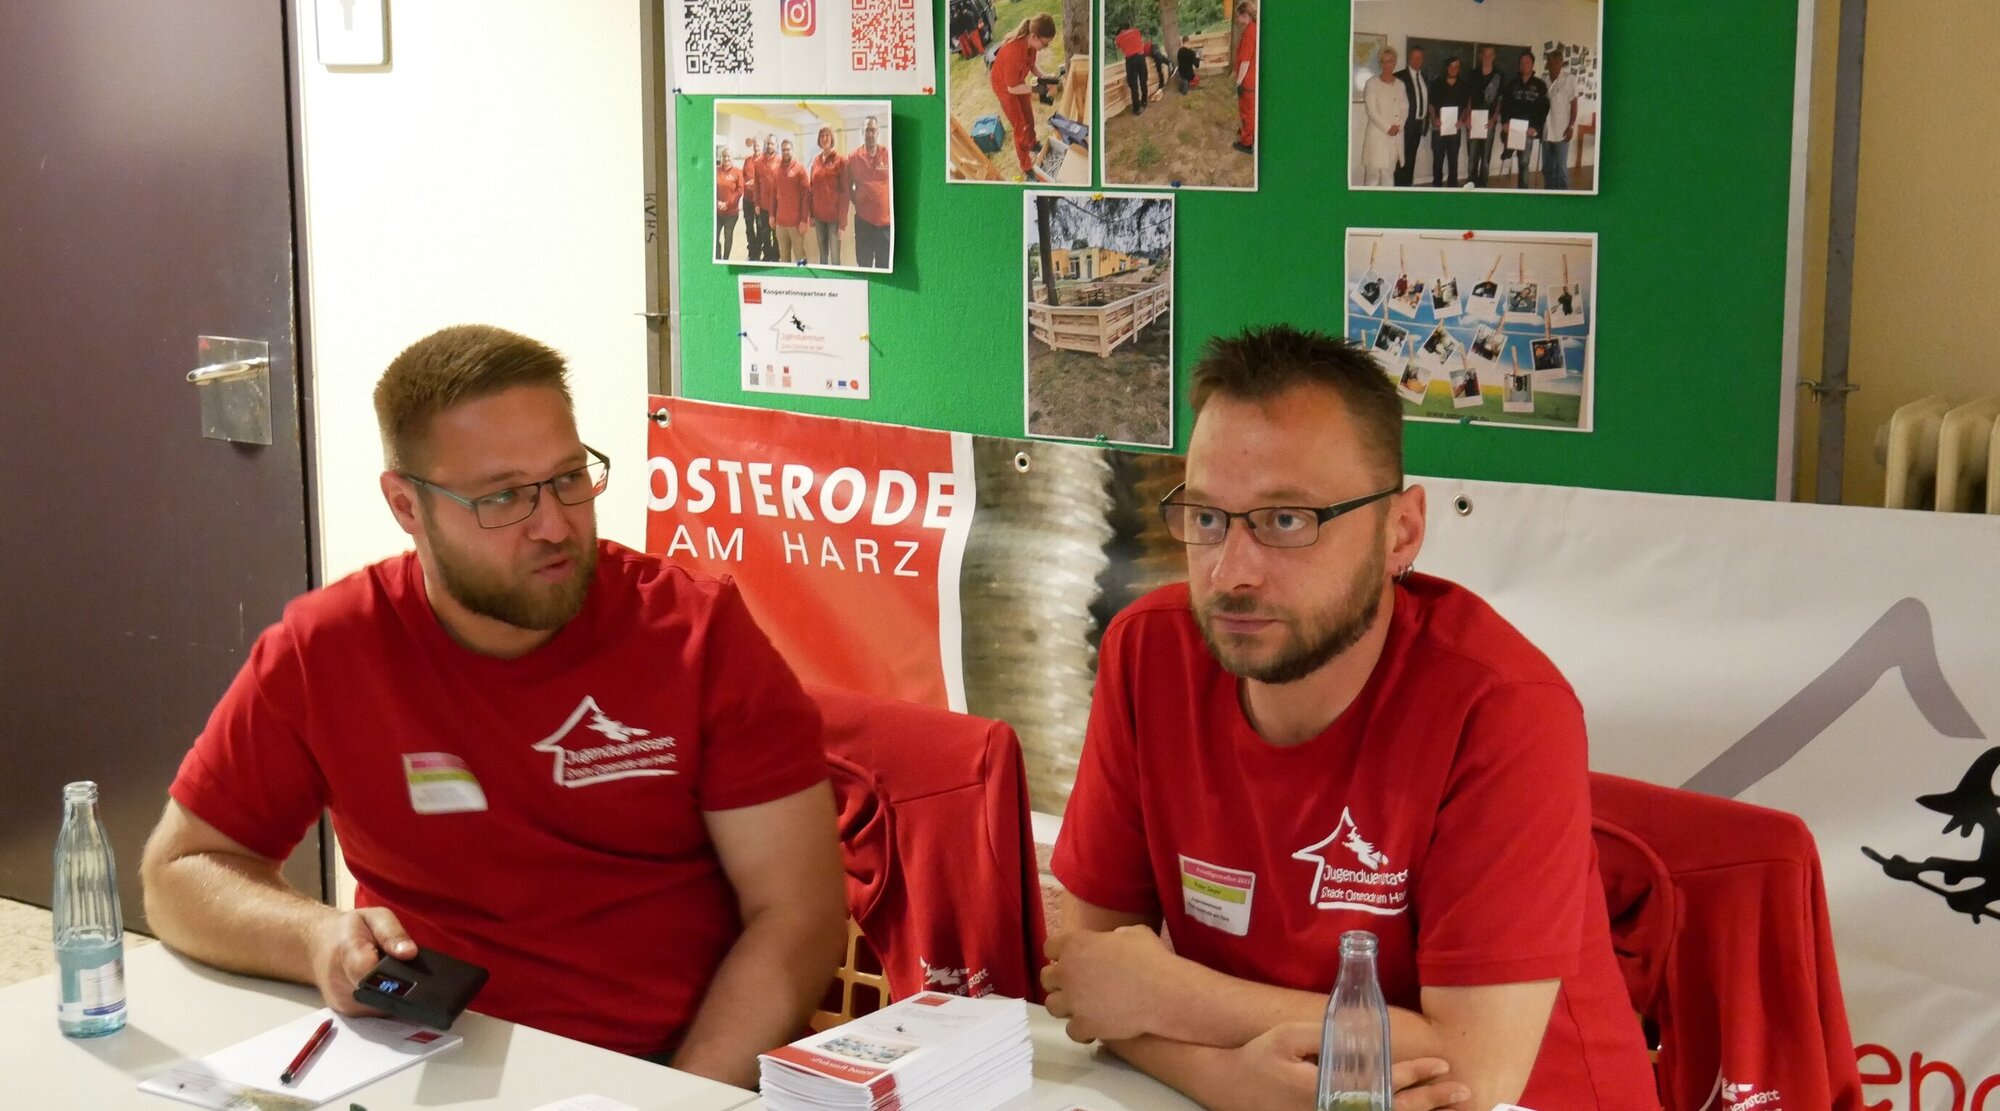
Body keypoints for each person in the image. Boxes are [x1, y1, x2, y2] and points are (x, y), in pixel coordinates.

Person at [138, 325, 847, 1088]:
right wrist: (313, 936)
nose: (554, 523)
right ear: (406, 505)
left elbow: (798, 915)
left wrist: (678, 1099)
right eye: (504, 496)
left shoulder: (697, 635)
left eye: (570, 476)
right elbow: (178, 871)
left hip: (658, 1067)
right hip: (422, 1064)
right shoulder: (329, 647)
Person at [1040, 326, 1660, 1111]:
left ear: (1401, 531)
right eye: (1206, 517)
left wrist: (1170, 997)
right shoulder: (1148, 654)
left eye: (1287, 520)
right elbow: (1091, 978)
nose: (1232, 572)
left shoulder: (1503, 707)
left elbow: (1474, 1065)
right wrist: (1229, 1079)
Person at [990, 15, 1057, 179]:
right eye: (1045, 43)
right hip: (1006, 88)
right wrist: (1038, 89)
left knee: (1029, 116)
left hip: (1017, 83)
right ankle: (1026, 166)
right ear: (1034, 36)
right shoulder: (1013, 52)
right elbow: (1012, 89)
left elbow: (1031, 65)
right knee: (1020, 126)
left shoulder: (1031, 46)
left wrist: (1044, 76)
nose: (1045, 47)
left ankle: (1032, 143)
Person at [847, 115, 892, 270]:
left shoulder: (888, 155)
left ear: (878, 132)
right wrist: (857, 200)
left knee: (884, 267)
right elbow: (847, 185)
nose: (870, 134)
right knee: (864, 265)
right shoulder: (853, 158)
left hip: (885, 224)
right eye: (867, 130)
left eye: (873, 130)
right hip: (863, 223)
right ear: (862, 132)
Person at [1499, 51, 1549, 187]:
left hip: (1528, 129)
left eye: (1527, 62)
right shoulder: (1512, 84)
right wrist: (1504, 122)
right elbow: (1504, 105)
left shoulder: (1540, 85)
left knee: (1524, 163)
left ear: (1532, 64)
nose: (1524, 65)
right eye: (1521, 63)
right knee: (1506, 140)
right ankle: (1508, 150)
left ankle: (1523, 191)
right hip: (1513, 127)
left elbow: (1543, 109)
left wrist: (1536, 127)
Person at [1360, 48, 1407, 188]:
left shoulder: (1400, 84)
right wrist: (1388, 128)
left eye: (1390, 61)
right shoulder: (1371, 83)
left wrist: (1398, 126)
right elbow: (1372, 111)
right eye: (1383, 61)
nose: (1387, 65)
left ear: (1395, 63)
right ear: (1380, 63)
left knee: (1389, 174)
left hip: (1395, 137)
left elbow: (1405, 108)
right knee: (1372, 177)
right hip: (1377, 136)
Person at [807, 125, 848, 267]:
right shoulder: (815, 161)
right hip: (818, 218)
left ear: (832, 138)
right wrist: (811, 215)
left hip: (834, 219)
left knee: (835, 258)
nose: (824, 138)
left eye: (827, 135)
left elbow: (845, 192)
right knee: (822, 256)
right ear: (819, 140)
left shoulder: (841, 160)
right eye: (822, 136)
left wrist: (843, 224)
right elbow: (811, 189)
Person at [1427, 56, 1471, 188]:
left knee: (1453, 159)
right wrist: (1433, 118)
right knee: (1438, 159)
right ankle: (1437, 186)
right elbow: (1431, 104)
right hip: (1438, 128)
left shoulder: (1463, 86)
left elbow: (1466, 106)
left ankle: (1452, 187)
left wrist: (1462, 119)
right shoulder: (1436, 83)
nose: (1454, 69)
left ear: (1459, 69)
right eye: (1451, 66)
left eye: (1456, 66)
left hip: (1455, 129)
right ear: (1447, 67)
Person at [1541, 50, 1581, 190]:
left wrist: (1571, 127)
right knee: (1547, 168)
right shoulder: (1544, 81)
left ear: (1560, 63)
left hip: (1562, 132)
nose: (1552, 65)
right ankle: (1549, 194)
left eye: (1555, 62)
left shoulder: (1569, 79)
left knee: (1561, 169)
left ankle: (1563, 196)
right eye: (1550, 62)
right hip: (1546, 131)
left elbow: (1574, 105)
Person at [1467, 45, 1505, 188]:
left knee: (1485, 157)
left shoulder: (1499, 75)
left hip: (1489, 120)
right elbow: (1469, 97)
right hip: (1474, 118)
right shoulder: (1473, 73)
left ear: (1494, 57)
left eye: (1490, 55)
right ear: (1481, 56)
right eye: (1485, 55)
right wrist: (1469, 116)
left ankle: (1483, 185)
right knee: (1472, 156)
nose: (1487, 58)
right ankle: (1470, 184)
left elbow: (1500, 99)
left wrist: (1494, 119)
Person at [771, 138, 811, 263]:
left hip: (796, 224)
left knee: (800, 258)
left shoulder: (800, 169)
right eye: (783, 150)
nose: (786, 152)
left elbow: (806, 196)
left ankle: (802, 280)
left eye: (788, 149)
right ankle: (786, 282)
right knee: (784, 258)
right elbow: (773, 194)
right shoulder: (776, 170)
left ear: (792, 150)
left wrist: (804, 220)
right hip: (780, 224)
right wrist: (771, 215)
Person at [1392, 44, 1428, 186]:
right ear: (1408, 59)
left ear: (1422, 59)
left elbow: (1426, 101)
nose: (1416, 61)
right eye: (1413, 58)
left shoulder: (1425, 77)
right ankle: (1399, 188)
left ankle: (1408, 186)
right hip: (1404, 125)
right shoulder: (1399, 77)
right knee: (1401, 160)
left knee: (1411, 158)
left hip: (1418, 125)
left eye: (1419, 58)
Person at [1231, 2, 1258, 155]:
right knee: (1248, 111)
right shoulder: (1251, 28)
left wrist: (1239, 82)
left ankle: (1247, 143)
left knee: (1246, 111)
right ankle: (1247, 132)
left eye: (1238, 15)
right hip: (1250, 79)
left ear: (1245, 15)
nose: (1237, 18)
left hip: (1247, 80)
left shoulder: (1249, 32)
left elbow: (1246, 61)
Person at [755, 134, 781, 260]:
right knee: (765, 233)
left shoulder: (781, 161)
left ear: (776, 145)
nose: (770, 145)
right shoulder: (758, 162)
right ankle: (766, 256)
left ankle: (775, 257)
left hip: (778, 205)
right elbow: (756, 184)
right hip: (764, 204)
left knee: (777, 233)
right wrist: (756, 204)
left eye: (772, 143)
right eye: (768, 143)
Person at [738, 136, 765, 261]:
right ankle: (751, 252)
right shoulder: (748, 160)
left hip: (759, 200)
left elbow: (765, 180)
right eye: (755, 145)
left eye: (758, 145)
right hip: (747, 199)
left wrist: (755, 182)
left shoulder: (764, 160)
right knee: (749, 226)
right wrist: (745, 183)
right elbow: (742, 176)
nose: (756, 147)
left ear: (762, 146)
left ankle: (758, 251)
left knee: (760, 227)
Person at [1115, 23, 1150, 116]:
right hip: (1141, 56)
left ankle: (1137, 108)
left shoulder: (1118, 37)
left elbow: (1119, 48)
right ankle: (1144, 101)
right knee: (1143, 79)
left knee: (1133, 84)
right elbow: (1140, 41)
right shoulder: (1135, 30)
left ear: (1120, 31)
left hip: (1131, 60)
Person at [714, 146, 742, 261]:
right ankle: (718, 258)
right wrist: (717, 202)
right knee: (715, 236)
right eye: (724, 156)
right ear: (721, 157)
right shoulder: (716, 170)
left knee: (728, 236)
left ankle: (725, 259)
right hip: (717, 211)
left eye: (728, 156)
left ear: (732, 158)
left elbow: (740, 190)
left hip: (731, 212)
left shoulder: (737, 172)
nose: (726, 159)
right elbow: (710, 188)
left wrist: (728, 204)